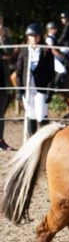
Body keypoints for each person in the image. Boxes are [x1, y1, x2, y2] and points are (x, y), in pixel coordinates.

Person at [16, 23, 55, 136]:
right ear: (27, 37)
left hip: (40, 88)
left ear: (40, 36)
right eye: (31, 36)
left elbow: (51, 73)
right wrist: (19, 90)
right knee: (30, 114)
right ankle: (32, 139)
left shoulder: (46, 52)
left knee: (41, 114)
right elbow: (19, 72)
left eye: (36, 36)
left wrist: (50, 91)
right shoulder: (24, 51)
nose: (34, 38)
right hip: (28, 88)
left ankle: (46, 138)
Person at [0, 12, 14, 150]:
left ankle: (0, 139)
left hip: (2, 79)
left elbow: (9, 52)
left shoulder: (5, 38)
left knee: (0, 111)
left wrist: (2, 38)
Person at [45, 21, 64, 103]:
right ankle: (55, 87)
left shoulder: (54, 38)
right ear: (49, 30)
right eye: (53, 28)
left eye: (55, 28)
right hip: (52, 58)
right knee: (62, 70)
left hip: (56, 57)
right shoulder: (49, 39)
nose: (55, 30)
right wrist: (61, 55)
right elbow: (52, 50)